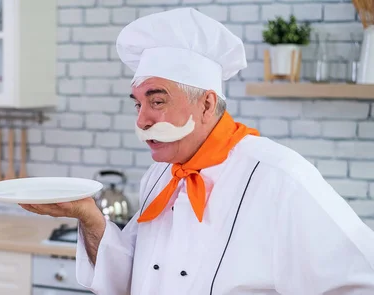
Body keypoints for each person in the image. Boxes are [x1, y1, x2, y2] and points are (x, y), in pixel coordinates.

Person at [19, 7, 374, 295]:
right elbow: (132, 279)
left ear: (206, 104)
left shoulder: (280, 177)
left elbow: (362, 281)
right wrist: (90, 217)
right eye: (138, 104)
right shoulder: (160, 174)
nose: (142, 120)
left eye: (157, 100)